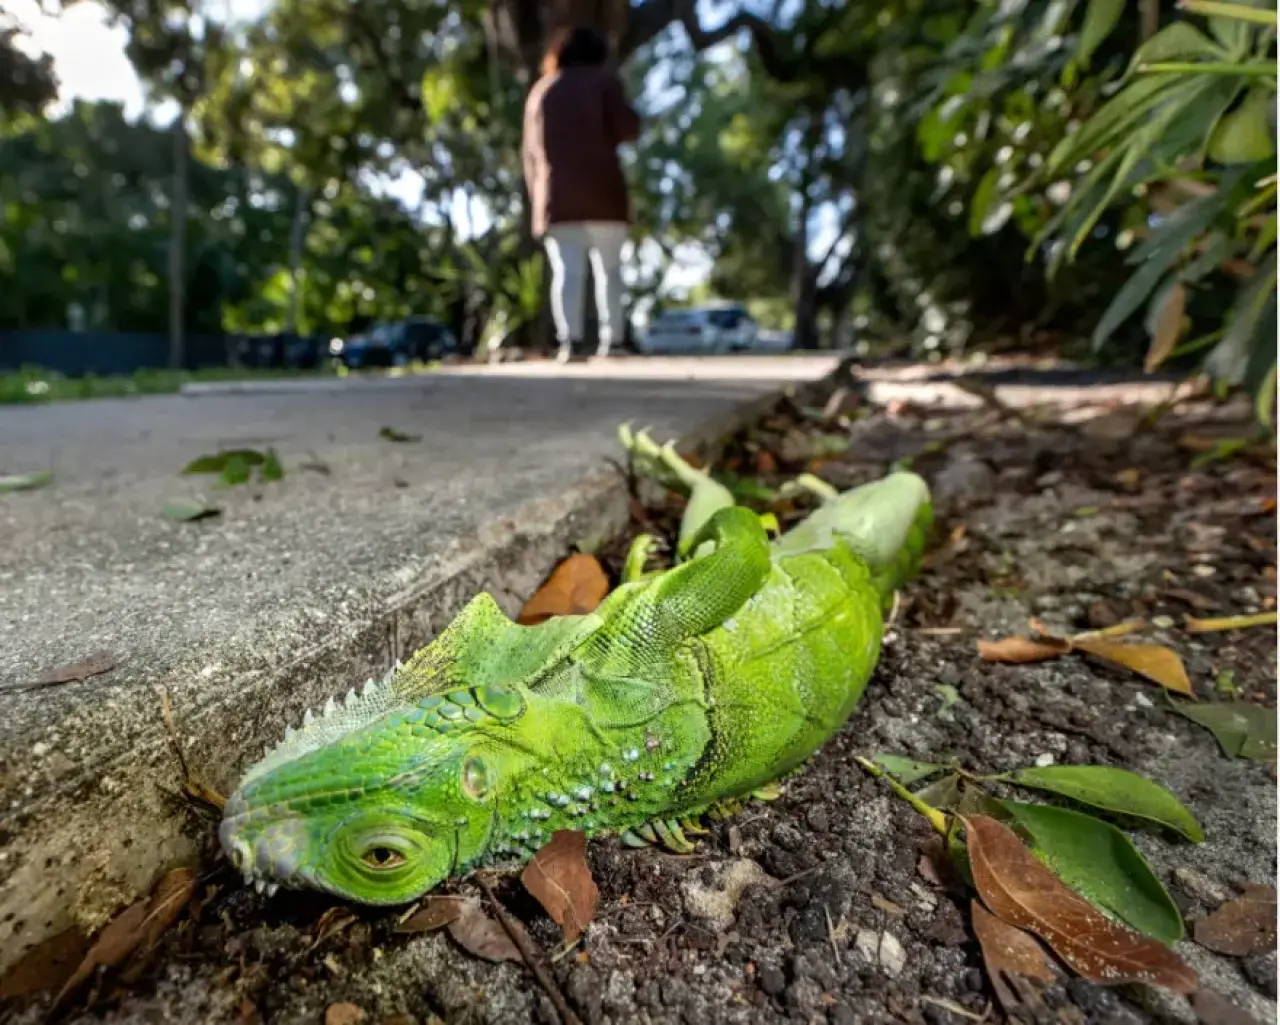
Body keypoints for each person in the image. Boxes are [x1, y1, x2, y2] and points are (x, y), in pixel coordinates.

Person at [522, 27, 640, 362]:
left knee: (567, 272)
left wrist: (537, 202)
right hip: (605, 193)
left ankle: (569, 342)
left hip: (557, 197)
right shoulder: (605, 83)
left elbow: (530, 152)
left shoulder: (542, 92)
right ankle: (612, 342)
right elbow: (630, 129)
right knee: (610, 271)